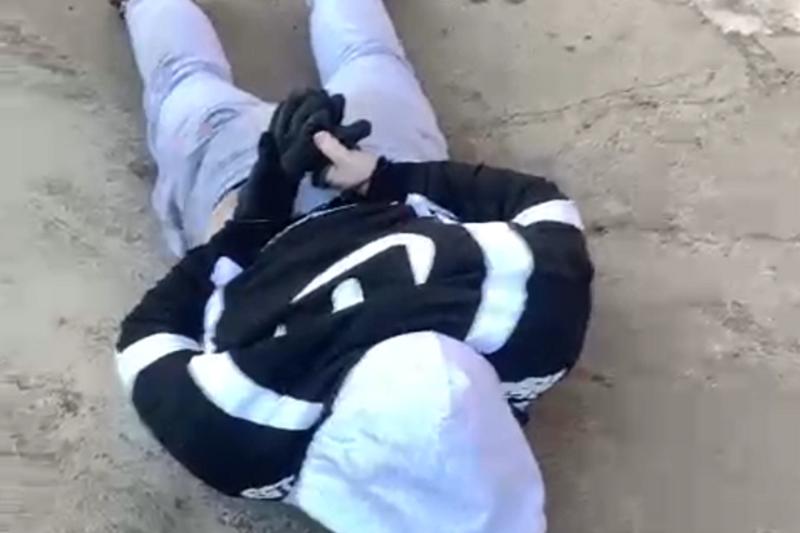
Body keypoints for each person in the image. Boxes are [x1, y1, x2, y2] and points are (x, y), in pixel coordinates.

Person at [113, 0, 594, 532]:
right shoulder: (247, 435)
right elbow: (147, 338)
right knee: (185, 81)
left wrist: (376, 179)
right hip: (268, 198)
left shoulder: (532, 325)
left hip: (366, 164)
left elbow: (540, 204)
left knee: (369, 58)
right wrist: (250, 229)